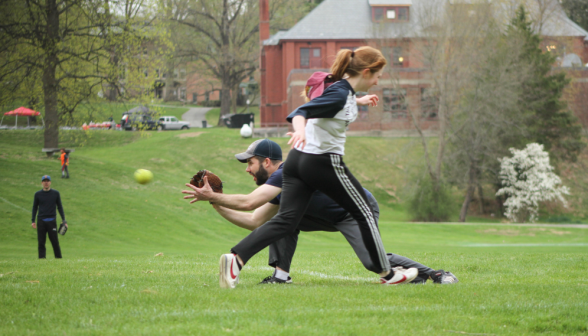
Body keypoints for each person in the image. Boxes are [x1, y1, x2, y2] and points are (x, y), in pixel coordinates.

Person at [183, 139, 459, 285]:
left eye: (250, 163)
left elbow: (248, 203)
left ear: (267, 162)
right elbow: (254, 221)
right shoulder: (281, 188)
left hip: (356, 209)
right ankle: (281, 276)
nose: (247, 168)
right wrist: (215, 202)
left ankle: (435, 274)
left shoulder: (283, 174)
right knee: (284, 221)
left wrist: (213, 197)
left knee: (374, 260)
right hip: (329, 213)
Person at [31, 175, 67, 259]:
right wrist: (33, 220)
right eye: (44, 181)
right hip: (41, 221)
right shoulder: (38, 194)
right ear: (42, 183)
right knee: (41, 242)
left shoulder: (55, 193)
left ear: (50, 182)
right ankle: (42, 259)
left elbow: (60, 207)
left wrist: (64, 220)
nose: (46, 182)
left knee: (55, 241)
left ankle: (58, 259)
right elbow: (34, 207)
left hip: (52, 221)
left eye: (47, 181)